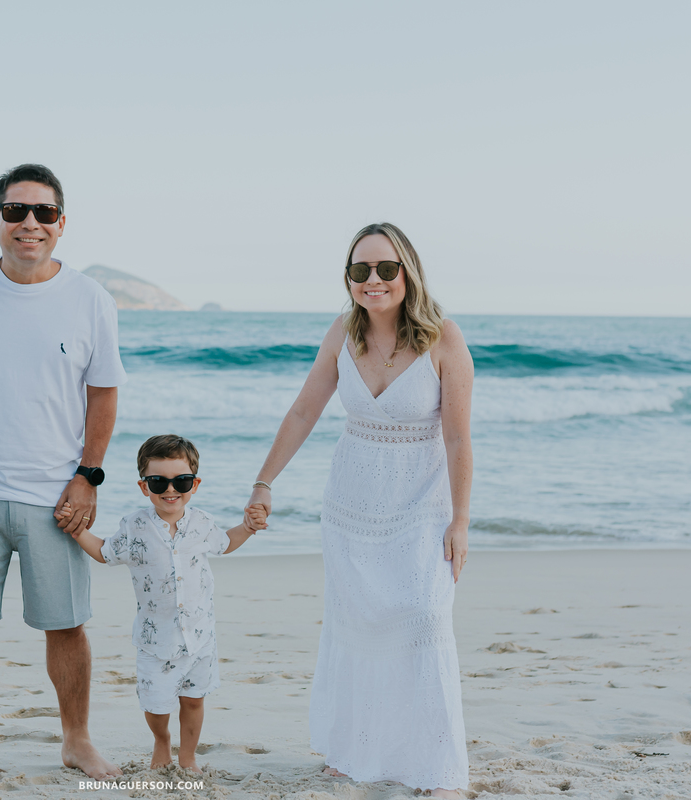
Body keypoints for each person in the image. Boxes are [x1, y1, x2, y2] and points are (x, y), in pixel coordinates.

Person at [247, 223, 473, 797]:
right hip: (350, 507)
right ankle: (355, 752)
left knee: (423, 619)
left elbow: (457, 441)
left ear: (408, 272)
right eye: (360, 271)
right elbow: (303, 412)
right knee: (357, 629)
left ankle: (432, 763)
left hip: (421, 506)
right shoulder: (341, 334)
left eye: (386, 269)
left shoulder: (443, 338)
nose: (373, 281)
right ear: (348, 279)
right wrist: (264, 481)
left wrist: (461, 520)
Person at [0, 164, 127, 785]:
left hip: (56, 495)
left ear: (61, 225)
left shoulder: (90, 297)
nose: (29, 224)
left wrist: (88, 477)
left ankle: (76, 740)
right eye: (16, 212)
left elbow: (103, 394)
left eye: (43, 213)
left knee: (66, 626)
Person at [65, 435, 267, 773]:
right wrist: (76, 530)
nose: (170, 490)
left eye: (181, 481)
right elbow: (104, 552)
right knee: (157, 706)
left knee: (193, 700)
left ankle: (187, 756)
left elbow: (225, 543)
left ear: (195, 484)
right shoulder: (134, 526)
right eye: (159, 481)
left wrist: (248, 527)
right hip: (156, 640)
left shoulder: (202, 523)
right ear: (145, 487)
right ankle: (162, 741)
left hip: (200, 637)